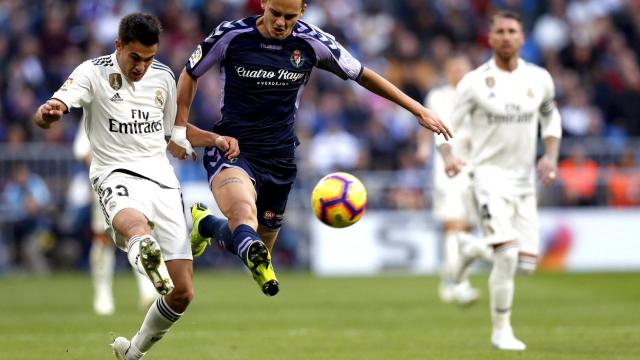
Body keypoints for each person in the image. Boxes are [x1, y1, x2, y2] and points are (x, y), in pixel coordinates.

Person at [169, 0, 452, 297]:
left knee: (257, 247)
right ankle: (229, 226)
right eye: (275, 13)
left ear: (302, 12)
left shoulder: (313, 42)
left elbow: (363, 74)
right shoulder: (232, 35)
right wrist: (179, 128)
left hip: (280, 157)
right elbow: (190, 72)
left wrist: (416, 109)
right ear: (263, 3)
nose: (280, 22)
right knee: (243, 213)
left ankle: (208, 225)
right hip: (233, 148)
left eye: (289, 17)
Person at [33, 13, 238, 359]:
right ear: (118, 46)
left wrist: (215, 138)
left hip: (162, 181)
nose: (141, 66)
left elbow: (176, 132)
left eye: (149, 58)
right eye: (135, 57)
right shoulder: (92, 72)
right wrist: (48, 114)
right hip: (115, 174)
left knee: (183, 293)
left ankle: (134, 353)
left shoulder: (163, 78)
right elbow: (51, 109)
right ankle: (143, 249)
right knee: (135, 227)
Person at [437, 10, 561, 351]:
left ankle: (470, 248)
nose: (506, 37)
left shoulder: (540, 79)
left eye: (512, 31)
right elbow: (444, 123)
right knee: (506, 255)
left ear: (522, 38)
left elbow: (551, 120)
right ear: (490, 39)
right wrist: (448, 157)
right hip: (487, 176)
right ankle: (501, 331)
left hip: (524, 181)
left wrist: (550, 157)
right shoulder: (474, 82)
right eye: (500, 31)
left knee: (526, 265)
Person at [416, 55, 486, 306]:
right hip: (446, 167)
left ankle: (450, 278)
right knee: (454, 224)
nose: (458, 73)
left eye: (462, 69)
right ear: (447, 71)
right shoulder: (438, 96)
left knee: (466, 227)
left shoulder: (478, 96)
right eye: (454, 68)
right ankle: (460, 284)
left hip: (474, 167)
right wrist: (423, 147)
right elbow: (425, 123)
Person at [73, 119, 158, 315]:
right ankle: (102, 293)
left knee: (141, 231)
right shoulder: (93, 108)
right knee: (103, 238)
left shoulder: (136, 106)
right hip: (107, 183)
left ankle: (147, 289)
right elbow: (82, 149)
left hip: (137, 180)